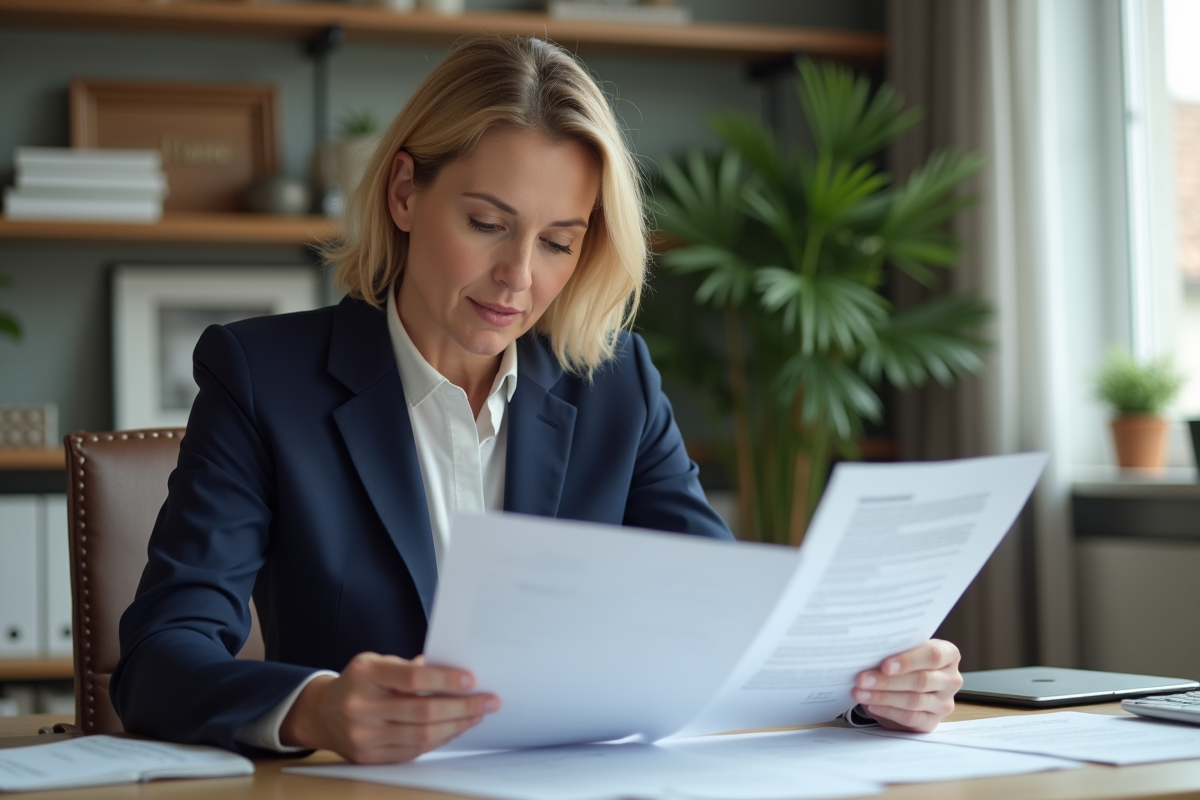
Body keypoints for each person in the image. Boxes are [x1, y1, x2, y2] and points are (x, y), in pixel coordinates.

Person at [111, 35, 963, 766]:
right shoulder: (264, 378)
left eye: (560, 242)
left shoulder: (614, 381)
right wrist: (319, 709)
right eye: (488, 224)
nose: (521, 279)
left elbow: (719, 624)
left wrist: (870, 686)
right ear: (406, 193)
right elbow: (160, 659)